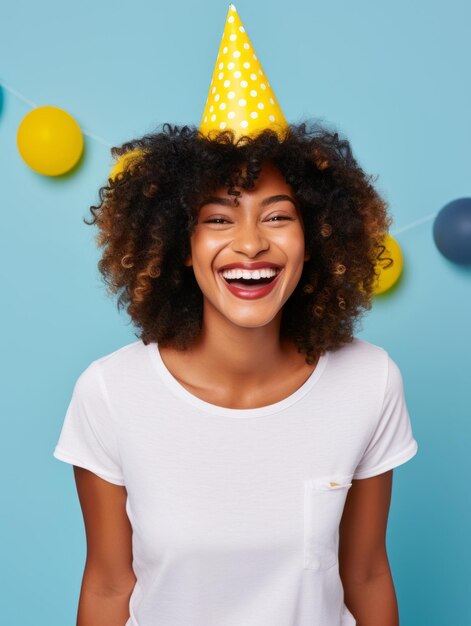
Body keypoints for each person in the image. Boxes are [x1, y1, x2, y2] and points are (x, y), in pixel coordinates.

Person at [52, 6, 418, 626]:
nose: (250, 244)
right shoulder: (111, 394)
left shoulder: (370, 381)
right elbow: (110, 587)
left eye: (277, 215)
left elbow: (366, 574)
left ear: (318, 237)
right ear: (179, 245)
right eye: (219, 218)